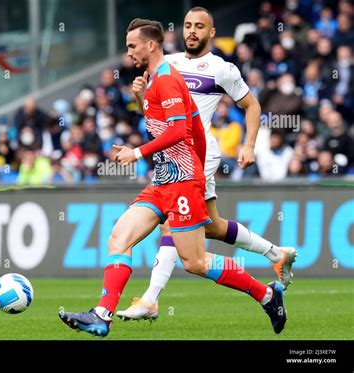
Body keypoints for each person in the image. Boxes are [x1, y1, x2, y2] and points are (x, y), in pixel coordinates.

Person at [59, 18, 287, 337]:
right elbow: (179, 126)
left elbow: (179, 131)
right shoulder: (154, 80)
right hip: (163, 180)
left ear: (151, 45)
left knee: (194, 262)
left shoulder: (166, 79)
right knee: (119, 237)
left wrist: (137, 153)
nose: (128, 53)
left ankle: (266, 295)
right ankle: (101, 315)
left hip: (182, 182)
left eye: (132, 46)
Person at [117, 7, 296, 321]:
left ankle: (150, 299)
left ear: (212, 32)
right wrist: (140, 95)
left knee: (172, 222)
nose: (191, 31)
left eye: (200, 26)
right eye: (187, 25)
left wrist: (249, 144)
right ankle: (275, 253)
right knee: (210, 225)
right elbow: (152, 110)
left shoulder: (222, 69)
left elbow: (252, 106)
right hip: (172, 154)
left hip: (199, 153)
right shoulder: (166, 62)